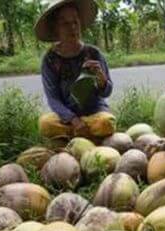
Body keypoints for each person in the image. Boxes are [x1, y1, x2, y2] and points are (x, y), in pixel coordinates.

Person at [35, 0, 115, 140]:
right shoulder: (50, 60)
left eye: (75, 22)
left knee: (106, 123)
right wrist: (74, 120)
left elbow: (107, 92)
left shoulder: (94, 53)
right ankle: (85, 134)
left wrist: (102, 81)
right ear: (55, 29)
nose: (72, 27)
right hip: (68, 118)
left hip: (94, 114)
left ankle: (77, 134)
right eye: (65, 23)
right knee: (45, 124)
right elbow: (53, 99)